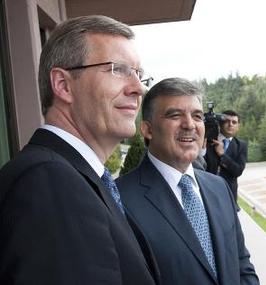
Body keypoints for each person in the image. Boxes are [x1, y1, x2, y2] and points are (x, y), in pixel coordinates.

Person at [0, 15, 158, 284]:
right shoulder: (49, 181)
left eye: (139, 74)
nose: (138, 88)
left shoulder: (74, 177)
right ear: (63, 85)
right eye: (118, 69)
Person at [116, 78, 259, 285]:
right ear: (147, 130)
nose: (190, 124)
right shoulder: (119, 200)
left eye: (197, 116)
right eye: (175, 115)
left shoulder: (219, 187)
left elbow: (242, 265)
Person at [204, 109, 248, 205]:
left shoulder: (241, 145)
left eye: (234, 122)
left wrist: (222, 155)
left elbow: (238, 171)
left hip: (229, 196)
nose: (230, 124)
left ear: (238, 126)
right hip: (207, 193)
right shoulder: (207, 141)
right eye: (227, 121)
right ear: (220, 123)